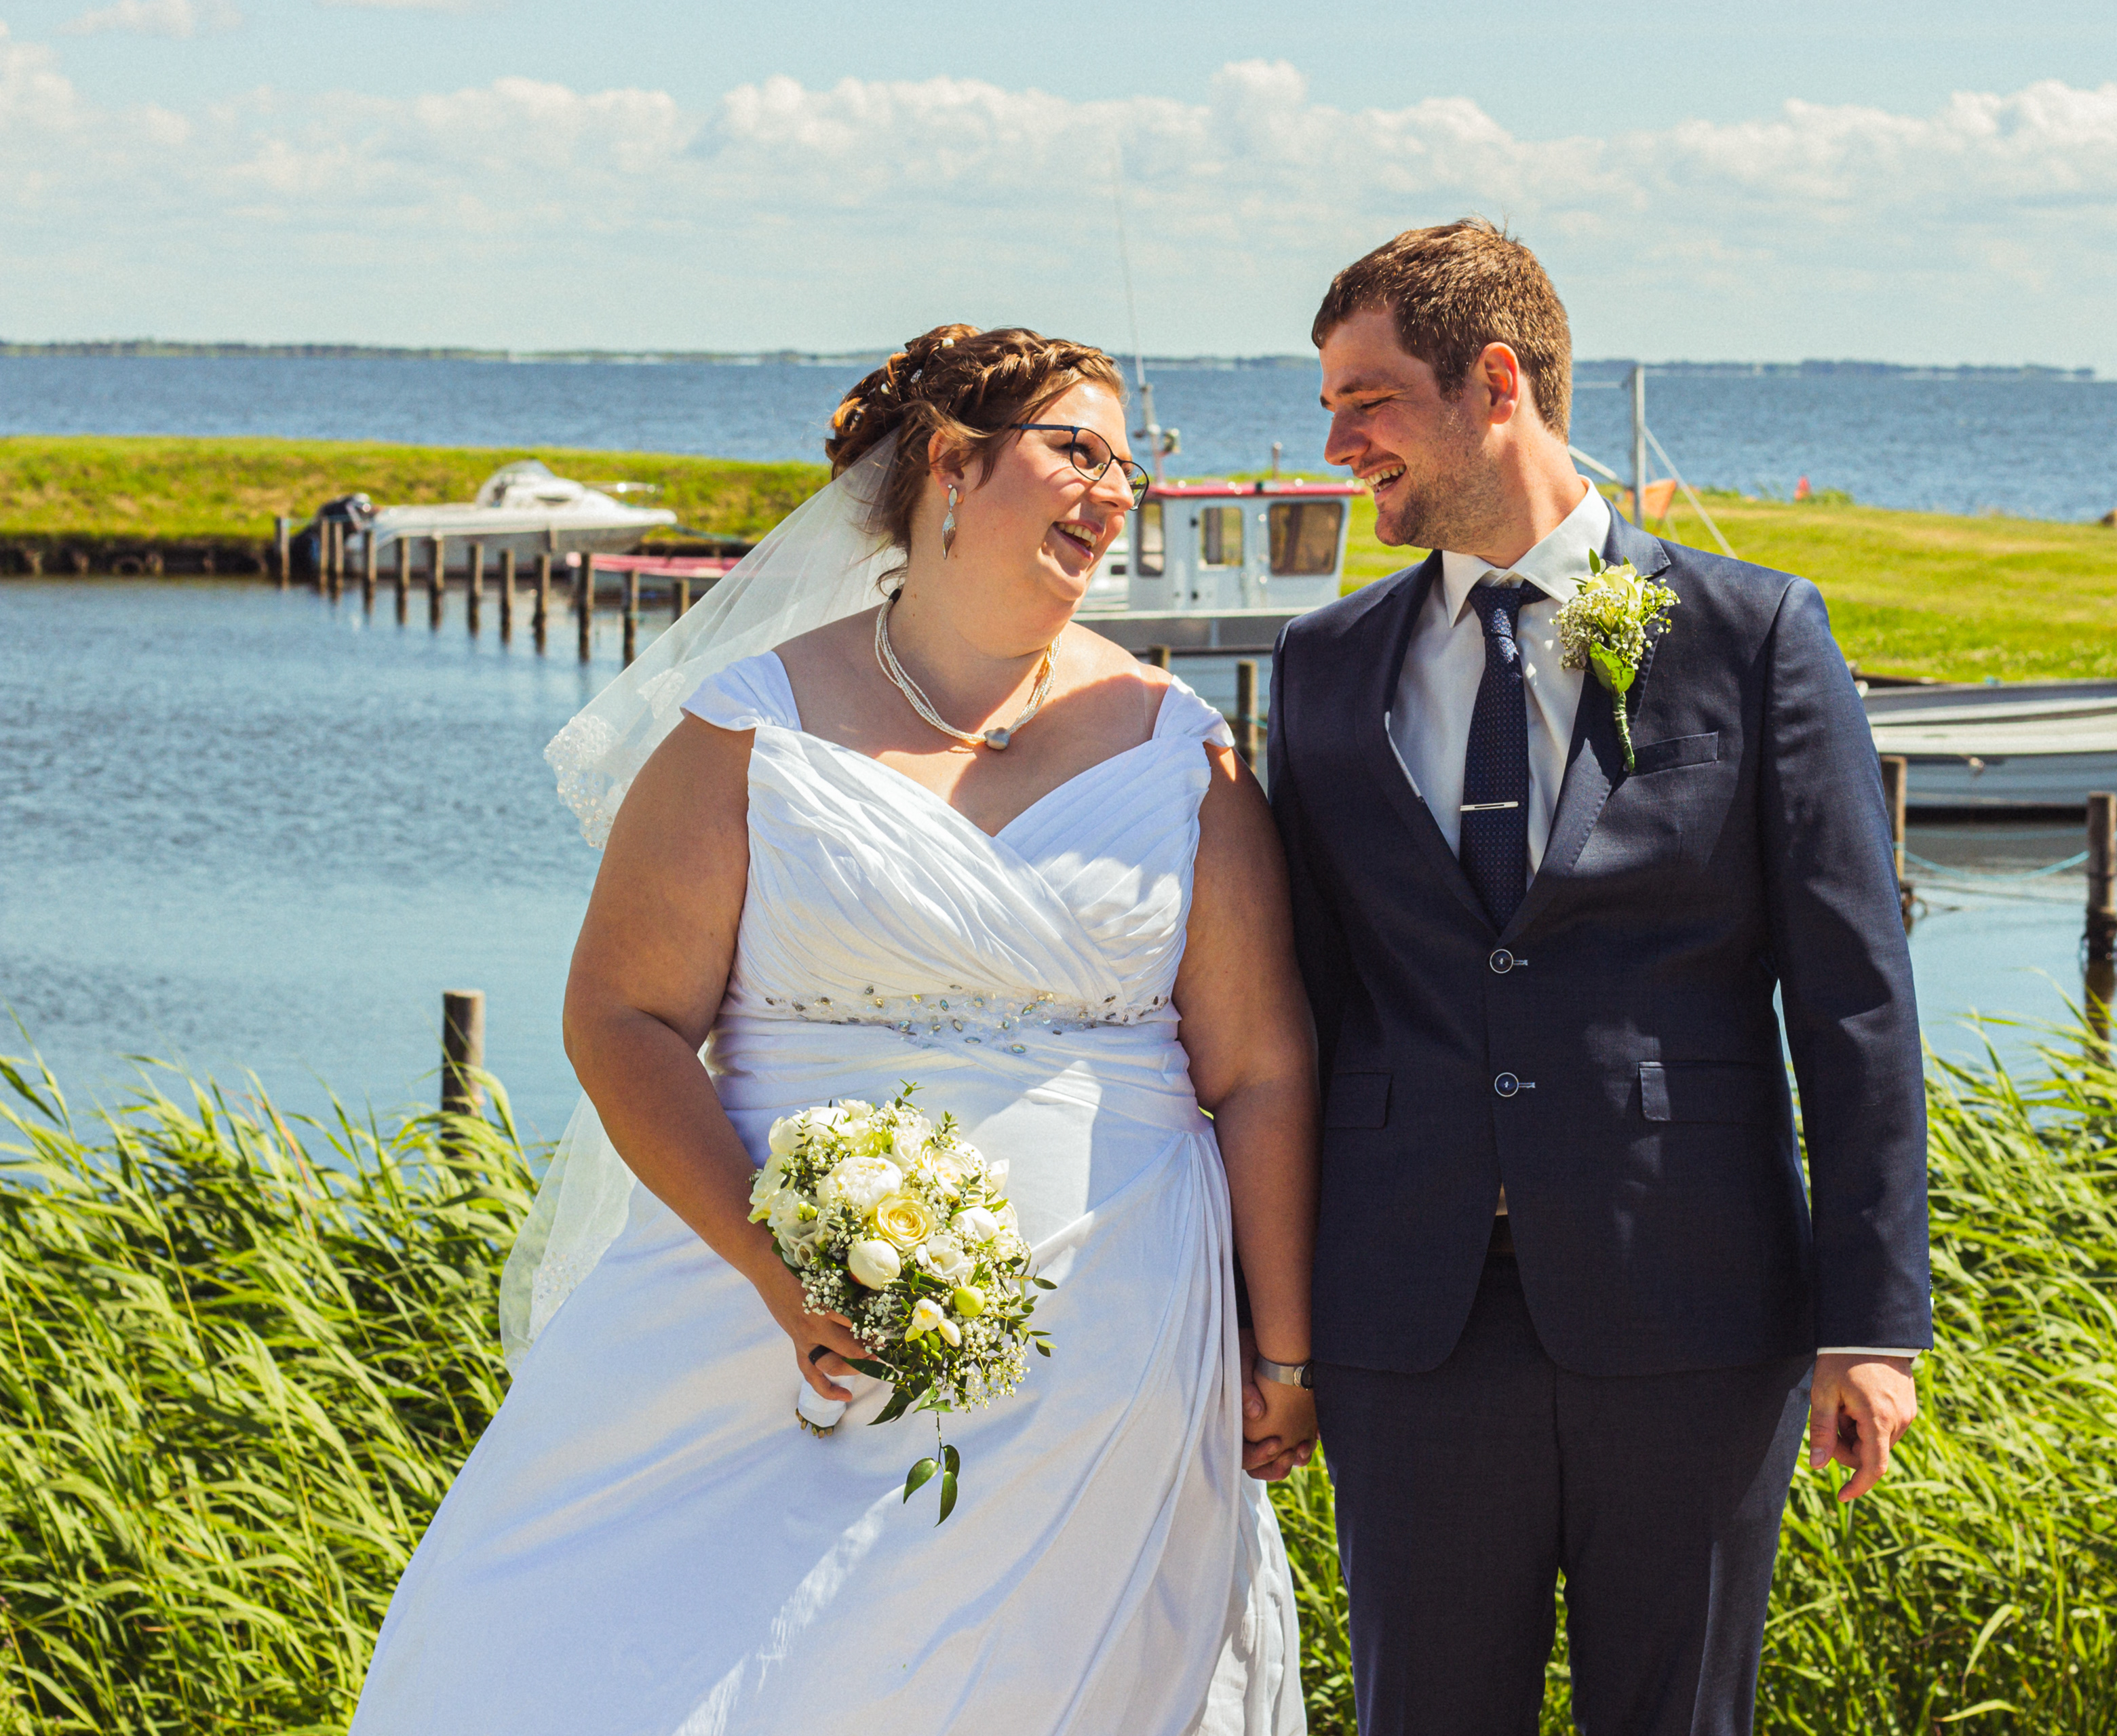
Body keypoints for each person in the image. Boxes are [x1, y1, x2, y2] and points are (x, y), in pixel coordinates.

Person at [352, 326, 1319, 1735]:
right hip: (767, 1338)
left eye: (1128, 466)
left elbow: (1262, 1064)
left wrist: (1282, 1351)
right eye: (1078, 448)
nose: (1116, 490)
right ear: (950, 464)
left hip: (1111, 1353)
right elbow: (620, 1015)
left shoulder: (1180, 744)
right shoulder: (752, 729)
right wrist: (773, 1260)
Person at [1269, 220, 1930, 1736]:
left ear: (1492, 381)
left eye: (1367, 395)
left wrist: (1871, 1318)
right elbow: (1298, 1015)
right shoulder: (1323, 668)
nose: (1336, 437)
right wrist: (1279, 1331)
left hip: (1694, 1306)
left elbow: (1857, 995)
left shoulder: (1757, 636)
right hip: (1407, 1320)